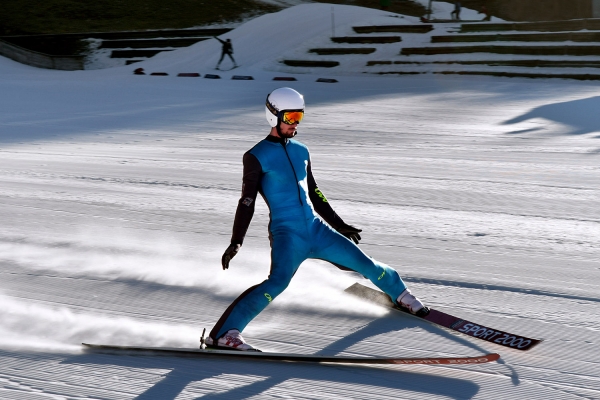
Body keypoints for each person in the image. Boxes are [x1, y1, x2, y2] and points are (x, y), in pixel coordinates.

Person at [205, 87, 427, 351]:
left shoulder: (302, 151)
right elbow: (247, 201)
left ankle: (400, 294)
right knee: (276, 284)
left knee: (365, 263)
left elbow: (315, 193)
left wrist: (339, 224)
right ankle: (225, 335)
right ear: (273, 116)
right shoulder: (256, 156)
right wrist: (236, 241)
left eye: (299, 116)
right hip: (288, 234)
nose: (295, 124)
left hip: (317, 229)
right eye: (290, 118)